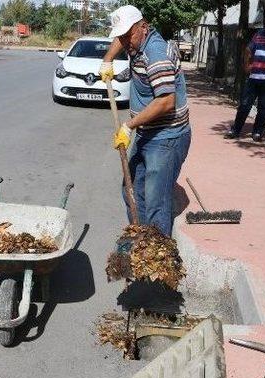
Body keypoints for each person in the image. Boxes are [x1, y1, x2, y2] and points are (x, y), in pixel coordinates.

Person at [99, 5, 191, 236]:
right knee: (131, 190)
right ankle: (141, 239)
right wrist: (108, 59)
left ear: (143, 27)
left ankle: (158, 256)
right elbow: (124, 39)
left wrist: (129, 125)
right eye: (121, 36)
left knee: (155, 201)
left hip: (166, 137)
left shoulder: (156, 54)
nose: (124, 41)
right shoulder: (136, 42)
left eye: (128, 35)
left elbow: (166, 102)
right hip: (147, 133)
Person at [225, 11, 265, 141]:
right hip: (254, 78)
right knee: (245, 105)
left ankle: (257, 132)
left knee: (264, 108)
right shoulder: (258, 35)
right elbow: (248, 50)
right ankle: (235, 130)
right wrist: (246, 65)